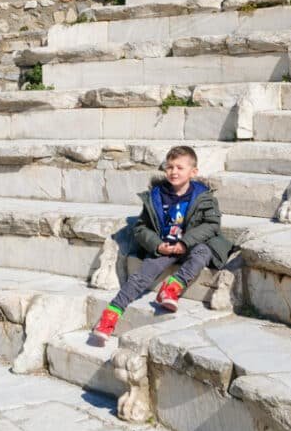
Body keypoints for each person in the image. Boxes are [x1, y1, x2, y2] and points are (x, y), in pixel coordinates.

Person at [91, 144, 232, 345]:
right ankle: (110, 315)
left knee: (203, 252)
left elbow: (212, 225)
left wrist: (185, 243)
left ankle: (173, 286)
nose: (174, 171)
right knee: (141, 276)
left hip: (192, 245)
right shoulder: (156, 196)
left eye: (179, 167)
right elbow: (141, 228)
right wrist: (157, 245)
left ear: (193, 172)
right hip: (165, 247)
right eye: (170, 167)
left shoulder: (204, 197)